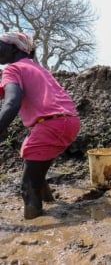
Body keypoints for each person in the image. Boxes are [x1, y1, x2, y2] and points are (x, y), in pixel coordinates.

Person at [0, 32, 81, 219]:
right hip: (68, 121)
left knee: (28, 186)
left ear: (13, 47)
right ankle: (49, 200)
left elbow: (12, 102)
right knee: (34, 164)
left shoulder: (13, 69)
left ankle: (34, 224)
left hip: (51, 124)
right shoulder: (36, 68)